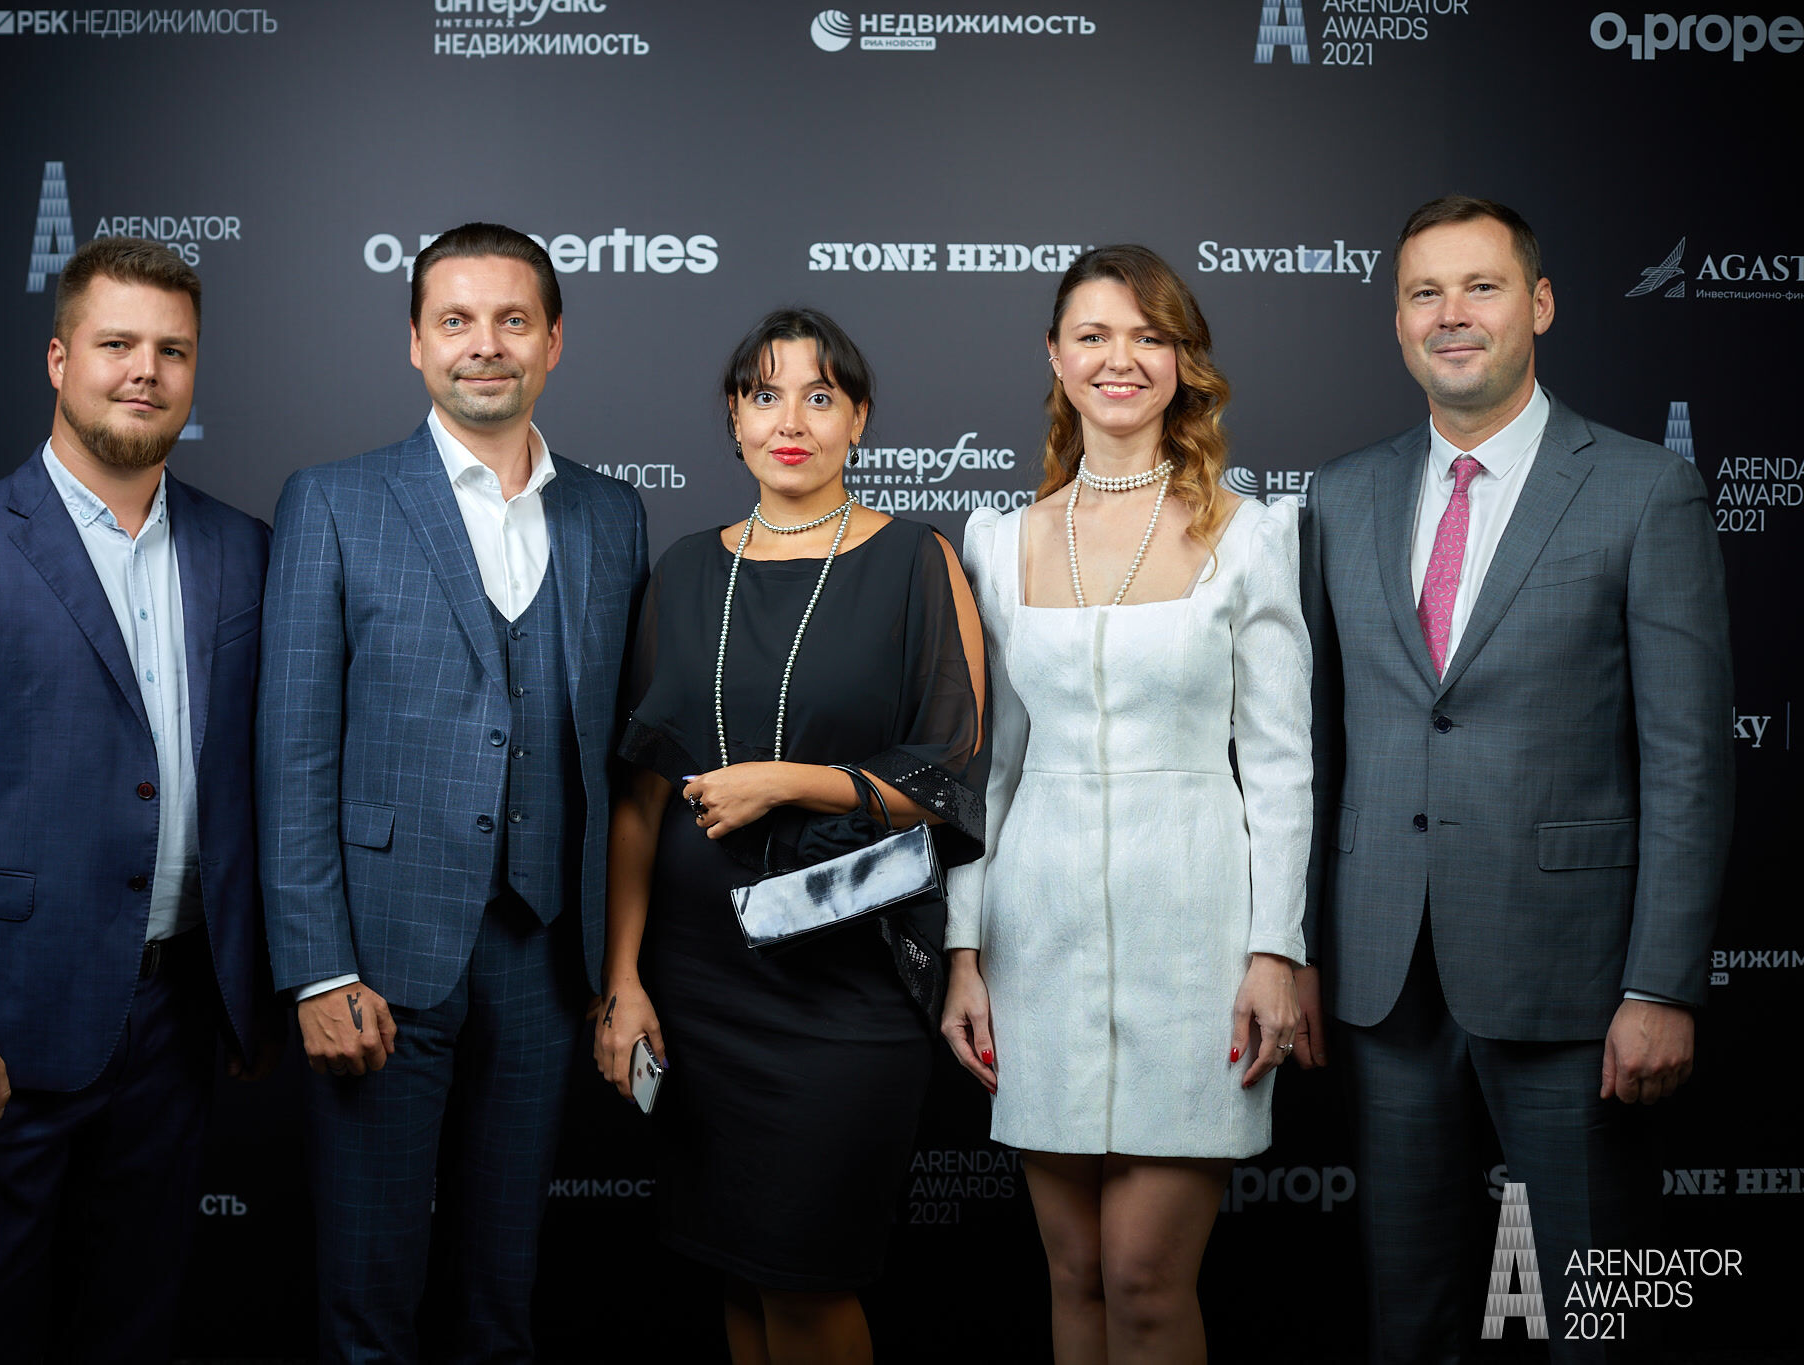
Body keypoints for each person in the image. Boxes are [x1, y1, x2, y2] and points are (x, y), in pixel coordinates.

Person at [1297, 195, 1733, 1362]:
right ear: (1397, 322)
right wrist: (1295, 948)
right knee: (1408, 1317)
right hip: (1385, 978)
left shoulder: (1642, 490)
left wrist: (1660, 986)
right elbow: (1315, 747)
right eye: (1423, 293)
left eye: (1479, 287)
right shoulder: (1339, 495)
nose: (1451, 314)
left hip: (1575, 982)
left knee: (1596, 1319)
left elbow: (1688, 761)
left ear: (1536, 305)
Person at [0, 236, 279, 1363]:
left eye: (172, 350)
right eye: (116, 344)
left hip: (180, 1017)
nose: (145, 371)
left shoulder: (246, 551)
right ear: (57, 359)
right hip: (5, 1020)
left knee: (133, 1326)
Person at [257, 221, 649, 1365]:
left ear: (553, 341)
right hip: (378, 959)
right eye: (457, 321)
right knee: (367, 1298)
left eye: (512, 321)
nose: (486, 345)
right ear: (416, 343)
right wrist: (317, 968)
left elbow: (621, 759)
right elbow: (292, 750)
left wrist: (617, 969)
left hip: (544, 959)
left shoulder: (611, 514)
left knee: (499, 1295)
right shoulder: (334, 501)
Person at [591, 307, 987, 1365]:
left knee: (808, 1281)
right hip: (695, 980)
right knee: (738, 1270)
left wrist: (785, 783)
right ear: (734, 418)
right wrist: (622, 978)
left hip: (843, 977)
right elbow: (638, 800)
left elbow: (949, 775)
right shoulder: (684, 570)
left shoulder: (915, 561)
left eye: (820, 396)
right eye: (765, 396)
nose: (791, 421)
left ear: (858, 418)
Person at [940, 245, 1312, 1364]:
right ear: (1054, 357)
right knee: (1073, 1277)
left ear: (1183, 361)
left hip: (1196, 944)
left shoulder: (1253, 534)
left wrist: (1274, 950)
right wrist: (964, 951)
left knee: (1146, 1281)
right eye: (1093, 335)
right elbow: (987, 772)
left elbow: (1280, 764)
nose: (1120, 359)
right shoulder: (996, 540)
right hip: (1035, 942)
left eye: (1149, 336)